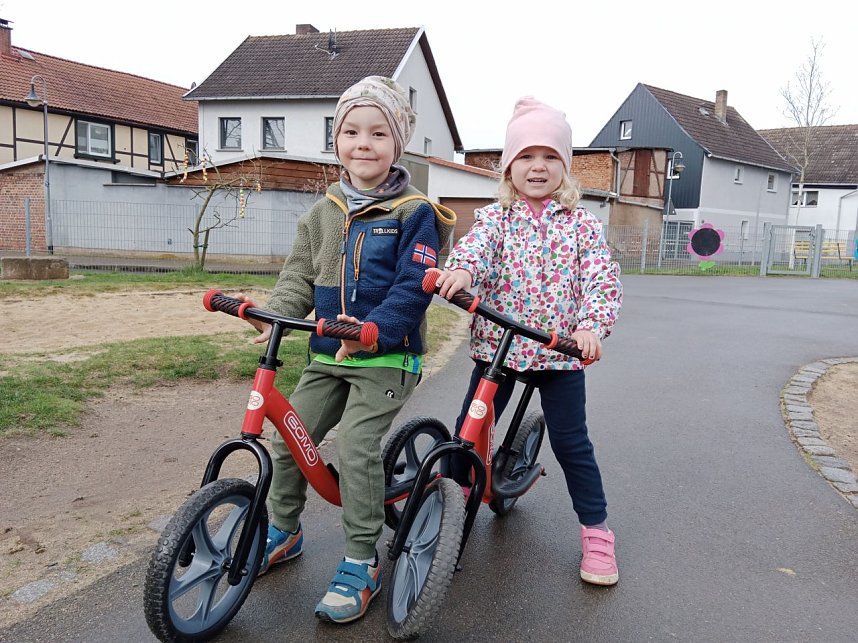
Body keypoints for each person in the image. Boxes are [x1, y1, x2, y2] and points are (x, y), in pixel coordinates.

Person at [239, 76, 455, 622]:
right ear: (336, 140)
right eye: (351, 131)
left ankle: (363, 558)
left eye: (379, 133)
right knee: (289, 436)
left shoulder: (414, 212)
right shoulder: (323, 212)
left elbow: (415, 286)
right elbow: (299, 275)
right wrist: (272, 314)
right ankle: (284, 529)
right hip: (326, 355)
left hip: (386, 357)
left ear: (397, 144)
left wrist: (376, 329)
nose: (364, 143)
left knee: (357, 445)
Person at [432, 97, 623, 586]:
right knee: (469, 429)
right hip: (500, 348)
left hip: (560, 353)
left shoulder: (582, 225)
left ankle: (596, 532)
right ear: (508, 167)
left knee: (572, 442)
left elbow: (601, 280)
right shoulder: (496, 219)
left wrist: (590, 327)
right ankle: (449, 504)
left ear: (565, 166)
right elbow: (476, 252)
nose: (538, 167)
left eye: (550, 156)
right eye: (526, 156)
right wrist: (463, 272)